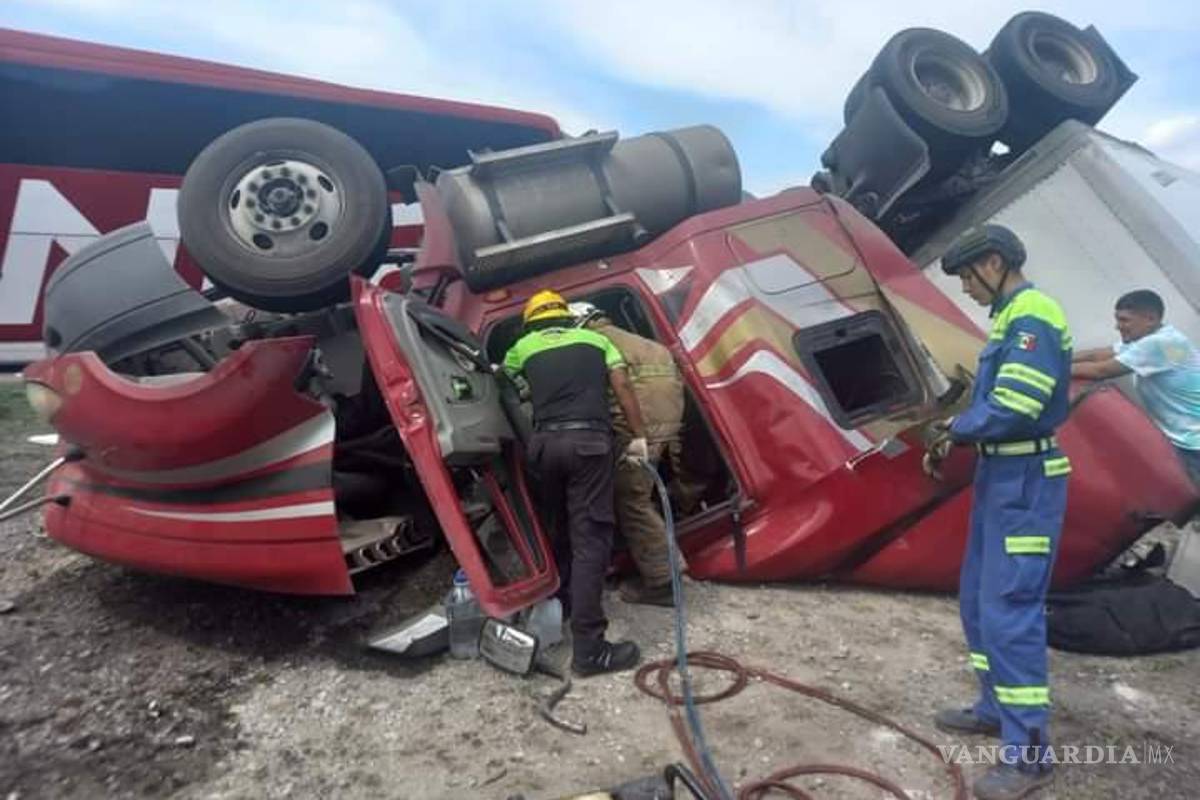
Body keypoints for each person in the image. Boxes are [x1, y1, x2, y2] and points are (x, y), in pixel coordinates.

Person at [926, 225, 1071, 800]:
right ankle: (994, 708)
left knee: (1010, 609)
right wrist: (958, 430)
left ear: (993, 263)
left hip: (1026, 481)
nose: (966, 288)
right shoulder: (1010, 317)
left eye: (968, 276)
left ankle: (1030, 755)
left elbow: (1015, 404)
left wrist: (955, 428)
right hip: (1001, 476)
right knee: (979, 602)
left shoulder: (1032, 315)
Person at [503, 289, 649, 677]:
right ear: (566, 315)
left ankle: (561, 604)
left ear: (532, 321)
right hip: (588, 444)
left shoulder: (521, 347)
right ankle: (589, 650)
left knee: (557, 529)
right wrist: (638, 436)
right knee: (591, 537)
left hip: (544, 447)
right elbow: (623, 386)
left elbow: (504, 385)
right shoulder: (596, 340)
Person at [569, 301, 685, 607]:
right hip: (667, 430)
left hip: (635, 432)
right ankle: (654, 567)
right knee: (641, 497)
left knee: (632, 503)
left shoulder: (595, 344)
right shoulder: (646, 344)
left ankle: (664, 583)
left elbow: (614, 390)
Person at [1071, 290, 1200, 487]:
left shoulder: (1161, 344)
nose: (1118, 326)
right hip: (1186, 438)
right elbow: (1100, 354)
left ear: (1150, 319)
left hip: (1194, 442)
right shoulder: (1156, 338)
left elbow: (1101, 370)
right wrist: (1060, 356)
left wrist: (1049, 368)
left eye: (1124, 320)